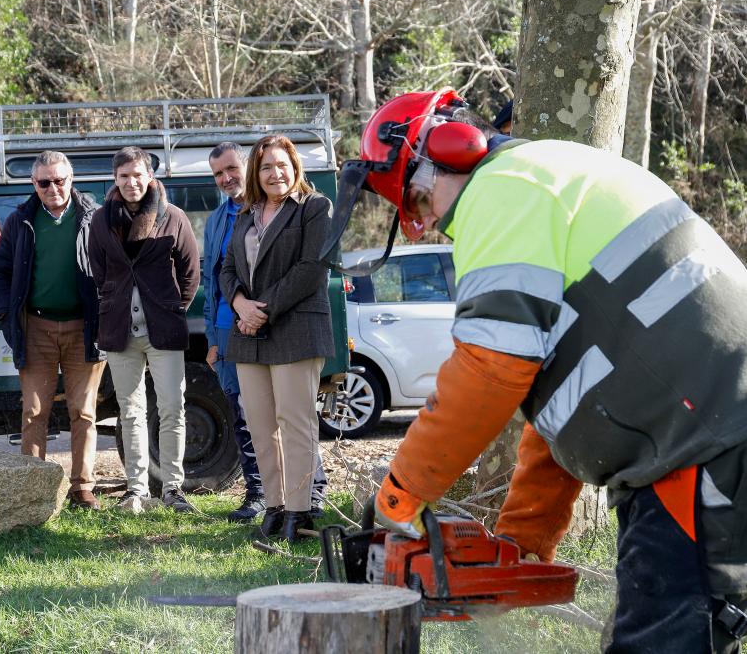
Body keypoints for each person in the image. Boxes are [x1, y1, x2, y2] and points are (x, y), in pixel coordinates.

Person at [329, 88, 747, 652]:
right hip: (702, 430)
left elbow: (488, 370)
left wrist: (399, 498)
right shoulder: (543, 175)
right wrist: (524, 540)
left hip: (699, 441)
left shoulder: (504, 192)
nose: (427, 222)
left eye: (419, 200)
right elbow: (559, 401)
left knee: (665, 634)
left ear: (446, 149)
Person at [204, 142, 330, 522]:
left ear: (295, 166)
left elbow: (310, 268)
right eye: (266, 168)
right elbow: (226, 269)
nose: (275, 173)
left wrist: (262, 311)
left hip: (296, 329)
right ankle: (274, 508)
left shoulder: (314, 207)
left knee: (295, 423)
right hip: (248, 335)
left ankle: (300, 510)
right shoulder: (246, 213)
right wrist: (241, 304)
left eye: (282, 165)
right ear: (255, 175)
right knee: (260, 425)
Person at [88, 146, 200, 514]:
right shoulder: (101, 220)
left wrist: (170, 309)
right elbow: (100, 273)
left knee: (172, 408)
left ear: (149, 177)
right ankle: (137, 490)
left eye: (138, 175)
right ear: (115, 179)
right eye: (124, 176)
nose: (131, 182)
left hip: (163, 328)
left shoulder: (174, 217)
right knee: (130, 412)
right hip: (120, 329)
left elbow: (189, 274)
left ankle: (173, 489)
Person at [0, 151, 106, 510]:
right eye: (45, 182)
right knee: (34, 411)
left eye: (60, 180)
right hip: (36, 326)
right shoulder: (19, 221)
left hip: (84, 327)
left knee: (84, 412)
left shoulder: (94, 217)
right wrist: (5, 315)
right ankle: (34, 487)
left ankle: (82, 486)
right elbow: (3, 272)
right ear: (34, 184)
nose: (53, 188)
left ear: (71, 180)